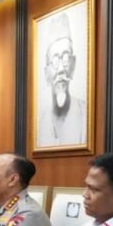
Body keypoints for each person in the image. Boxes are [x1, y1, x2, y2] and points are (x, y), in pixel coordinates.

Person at [37, 12, 87, 148]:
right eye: (54, 60)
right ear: (46, 73)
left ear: (73, 65)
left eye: (65, 58)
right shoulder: (41, 121)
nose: (60, 69)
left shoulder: (85, 115)